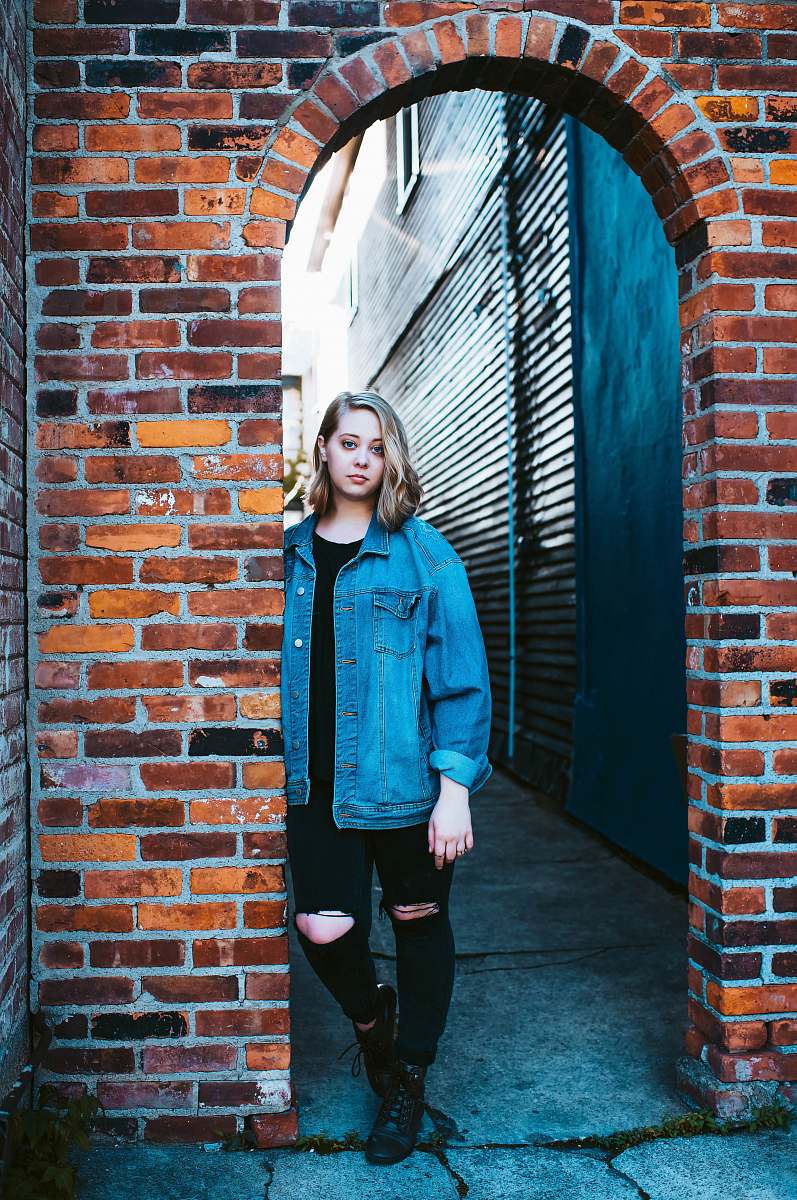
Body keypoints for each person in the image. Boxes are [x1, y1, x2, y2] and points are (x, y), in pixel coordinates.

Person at [281, 389, 492, 1165]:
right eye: (348, 443)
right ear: (324, 453)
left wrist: (456, 789)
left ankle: (407, 1080)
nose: (362, 458)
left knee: (416, 923)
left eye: (376, 446)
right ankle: (376, 1026)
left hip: (406, 783)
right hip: (317, 788)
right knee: (323, 927)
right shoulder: (288, 555)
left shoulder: (423, 551)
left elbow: (461, 680)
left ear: (388, 457)